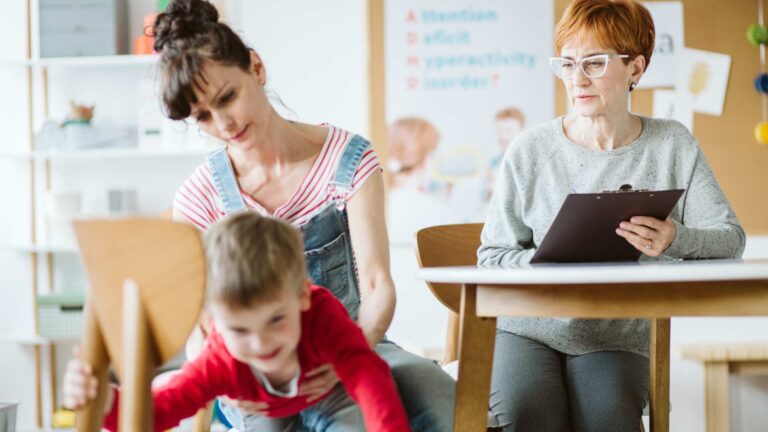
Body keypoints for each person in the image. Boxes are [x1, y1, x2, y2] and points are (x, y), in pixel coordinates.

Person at [155, 1, 455, 430]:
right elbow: (198, 326)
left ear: (255, 69)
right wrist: (232, 389)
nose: (222, 123)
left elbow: (376, 283)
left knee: (434, 391)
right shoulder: (199, 196)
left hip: (350, 342)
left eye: (227, 98)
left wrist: (353, 354)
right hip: (257, 372)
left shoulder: (347, 160)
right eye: (203, 116)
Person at [478, 0, 746, 430]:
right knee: (531, 414)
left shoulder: (671, 144)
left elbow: (730, 238)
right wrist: (548, 259)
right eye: (567, 64)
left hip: (615, 335)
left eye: (595, 63)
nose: (577, 79)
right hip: (526, 328)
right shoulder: (529, 150)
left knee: (608, 420)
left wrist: (673, 238)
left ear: (635, 69)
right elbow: (491, 256)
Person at [62, 213, 411, 432]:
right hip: (260, 409)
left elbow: (369, 376)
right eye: (240, 330)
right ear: (213, 322)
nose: (261, 343)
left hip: (326, 392)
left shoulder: (320, 314)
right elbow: (158, 413)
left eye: (276, 320)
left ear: (303, 296)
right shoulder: (220, 359)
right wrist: (104, 401)